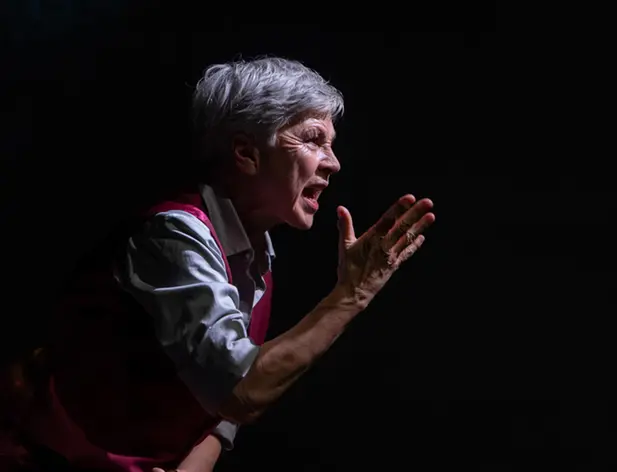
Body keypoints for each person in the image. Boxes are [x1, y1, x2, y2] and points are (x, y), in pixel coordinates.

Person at [1, 57, 435, 471]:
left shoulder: (256, 252)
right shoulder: (174, 236)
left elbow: (218, 410)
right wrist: (351, 295)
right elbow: (239, 391)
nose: (333, 163)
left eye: (331, 145)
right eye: (313, 139)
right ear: (246, 153)